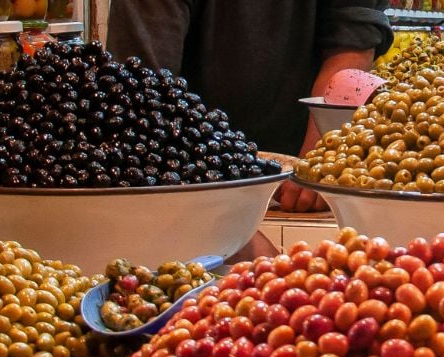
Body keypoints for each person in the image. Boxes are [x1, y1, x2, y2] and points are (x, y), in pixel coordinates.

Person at [107, 0, 393, 212]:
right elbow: (143, 88)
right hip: (183, 174)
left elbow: (352, 42)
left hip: (297, 169)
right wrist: (205, 203)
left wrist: (318, 161)